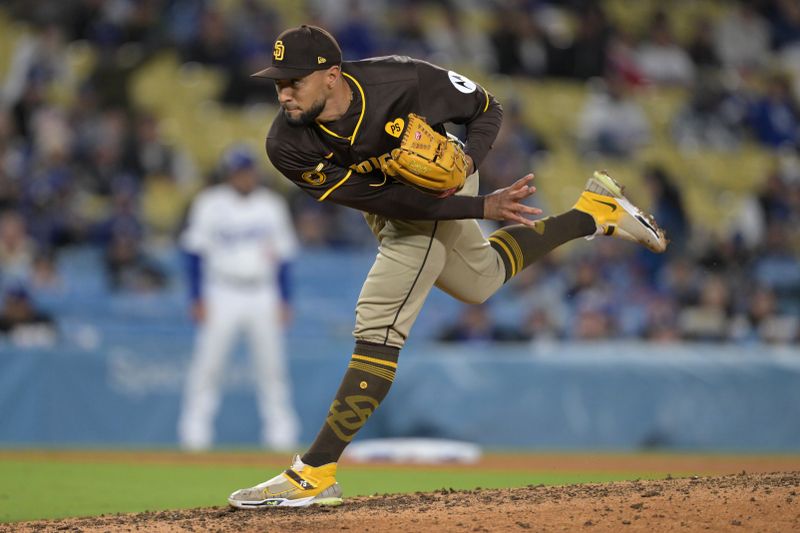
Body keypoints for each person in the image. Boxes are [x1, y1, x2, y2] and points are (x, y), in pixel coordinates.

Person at [228, 25, 667, 508]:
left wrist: (466, 167)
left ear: (331, 76)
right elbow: (391, 201)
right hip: (398, 203)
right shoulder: (287, 145)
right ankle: (593, 212)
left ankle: (314, 471)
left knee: (379, 318)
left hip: (443, 182)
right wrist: (482, 209)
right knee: (479, 282)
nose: (283, 92)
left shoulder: (400, 80)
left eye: (294, 81)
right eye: (277, 82)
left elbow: (486, 108)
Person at [177, 145, 300, 451]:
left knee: (272, 368)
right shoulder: (210, 203)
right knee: (208, 366)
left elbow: (284, 257)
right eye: (238, 171)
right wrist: (196, 296)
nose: (244, 176)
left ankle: (281, 436)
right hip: (222, 291)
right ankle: (195, 435)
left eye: (248, 170)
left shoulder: (271, 205)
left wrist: (285, 299)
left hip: (263, 291)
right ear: (229, 174)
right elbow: (194, 252)